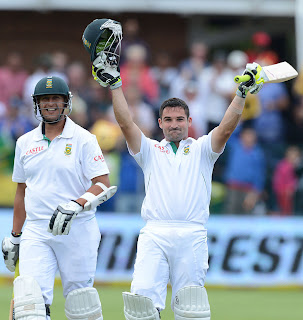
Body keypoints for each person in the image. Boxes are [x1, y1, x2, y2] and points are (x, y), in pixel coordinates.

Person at [87, 20, 265, 320]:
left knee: (191, 311)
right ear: (160, 124)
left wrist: (242, 93)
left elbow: (225, 129)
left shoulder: (202, 149)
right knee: (141, 307)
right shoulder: (149, 151)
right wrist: (115, 85)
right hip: (154, 233)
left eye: (179, 119)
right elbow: (126, 123)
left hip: (192, 234)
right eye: (168, 120)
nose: (174, 125)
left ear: (188, 121)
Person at [1, 76, 117, 320]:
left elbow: (102, 184)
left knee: (81, 304)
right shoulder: (24, 142)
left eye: (56, 99)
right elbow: (22, 192)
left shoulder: (84, 139)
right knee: (28, 303)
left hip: (77, 229)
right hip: (36, 230)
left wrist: (76, 205)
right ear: (36, 104)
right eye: (45, 99)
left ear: (67, 103)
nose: (50, 104)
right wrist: (15, 236)